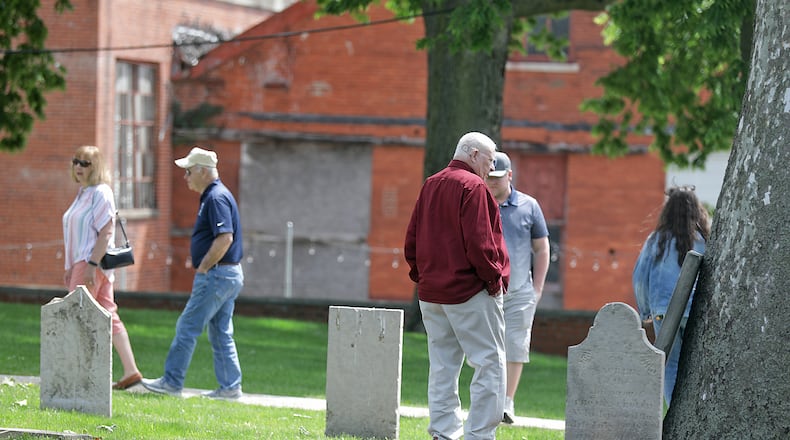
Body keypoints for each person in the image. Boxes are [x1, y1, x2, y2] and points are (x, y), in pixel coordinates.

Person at [404, 132, 510, 440]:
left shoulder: (431, 184)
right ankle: (479, 435)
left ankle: (443, 432)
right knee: (490, 363)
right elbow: (481, 243)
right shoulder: (473, 187)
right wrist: (494, 280)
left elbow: (411, 240)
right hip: (469, 291)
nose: (490, 170)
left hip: (432, 292)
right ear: (474, 154)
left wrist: (421, 276)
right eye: (490, 161)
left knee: (443, 366)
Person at [142, 146, 244, 399]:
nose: (185, 177)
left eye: (188, 172)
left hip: (218, 275)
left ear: (202, 171)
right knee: (221, 332)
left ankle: (171, 383)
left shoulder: (216, 197)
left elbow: (225, 238)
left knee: (187, 326)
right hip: (229, 275)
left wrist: (204, 267)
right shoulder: (215, 195)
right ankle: (230, 388)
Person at [62, 145, 143, 390]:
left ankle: (79, 373)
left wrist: (90, 265)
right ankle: (130, 371)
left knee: (77, 315)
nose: (78, 167)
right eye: (76, 161)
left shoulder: (101, 192)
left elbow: (106, 231)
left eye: (85, 163)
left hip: (90, 263)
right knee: (108, 314)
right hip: (80, 263)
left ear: (96, 167)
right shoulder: (83, 192)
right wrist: (69, 265)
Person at [485, 152, 550, 424]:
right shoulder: (478, 202)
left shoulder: (529, 206)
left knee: (515, 345)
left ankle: (507, 403)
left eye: (498, 178)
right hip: (487, 290)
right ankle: (490, 400)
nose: (492, 182)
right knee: (488, 346)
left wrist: (537, 289)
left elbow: (542, 247)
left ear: (510, 175)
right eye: (488, 177)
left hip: (520, 291)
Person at [632, 185, 709, 407]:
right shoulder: (705, 240)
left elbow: (639, 277)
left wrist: (645, 310)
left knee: (670, 364)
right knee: (694, 364)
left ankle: (675, 413)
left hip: (664, 312)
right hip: (696, 312)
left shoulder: (657, 240)